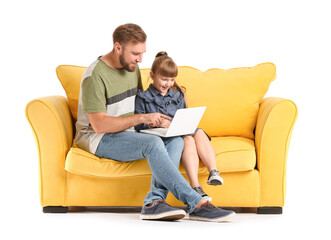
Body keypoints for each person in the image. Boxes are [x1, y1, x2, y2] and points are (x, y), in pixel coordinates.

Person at [75, 23, 235, 222]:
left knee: (177, 141)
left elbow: (141, 104)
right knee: (153, 144)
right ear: (118, 47)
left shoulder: (131, 67)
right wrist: (143, 118)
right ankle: (197, 203)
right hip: (99, 138)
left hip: (128, 132)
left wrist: (154, 122)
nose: (140, 60)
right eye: (135, 53)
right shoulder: (95, 76)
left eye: (142, 53)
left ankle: (154, 202)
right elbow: (99, 126)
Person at [135, 51, 224, 202]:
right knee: (186, 140)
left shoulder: (178, 94)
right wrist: (153, 122)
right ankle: (195, 186)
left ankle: (213, 172)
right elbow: (137, 124)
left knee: (197, 134)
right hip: (161, 135)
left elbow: (184, 115)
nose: (168, 84)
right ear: (152, 75)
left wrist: (187, 121)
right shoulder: (142, 97)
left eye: (171, 80)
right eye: (164, 79)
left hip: (179, 130)